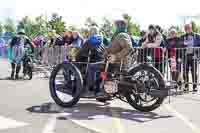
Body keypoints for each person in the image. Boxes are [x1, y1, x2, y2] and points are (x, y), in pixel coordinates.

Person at [180, 23, 200, 92]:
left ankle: (195, 86)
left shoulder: (197, 36)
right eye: (185, 28)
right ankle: (186, 86)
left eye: (188, 28)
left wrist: (197, 55)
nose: (187, 29)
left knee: (194, 72)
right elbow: (180, 45)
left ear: (191, 28)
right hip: (185, 56)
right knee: (185, 72)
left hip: (194, 56)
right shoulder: (182, 36)